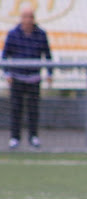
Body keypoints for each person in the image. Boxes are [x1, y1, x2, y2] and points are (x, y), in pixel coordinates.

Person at [2, 5, 53, 150]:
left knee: (33, 110)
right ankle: (14, 138)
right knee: (16, 109)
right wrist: (7, 73)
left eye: (30, 17)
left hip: (34, 79)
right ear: (21, 18)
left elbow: (48, 55)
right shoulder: (13, 34)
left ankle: (33, 137)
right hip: (17, 78)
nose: (28, 20)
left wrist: (49, 73)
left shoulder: (41, 34)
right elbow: (5, 55)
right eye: (25, 17)